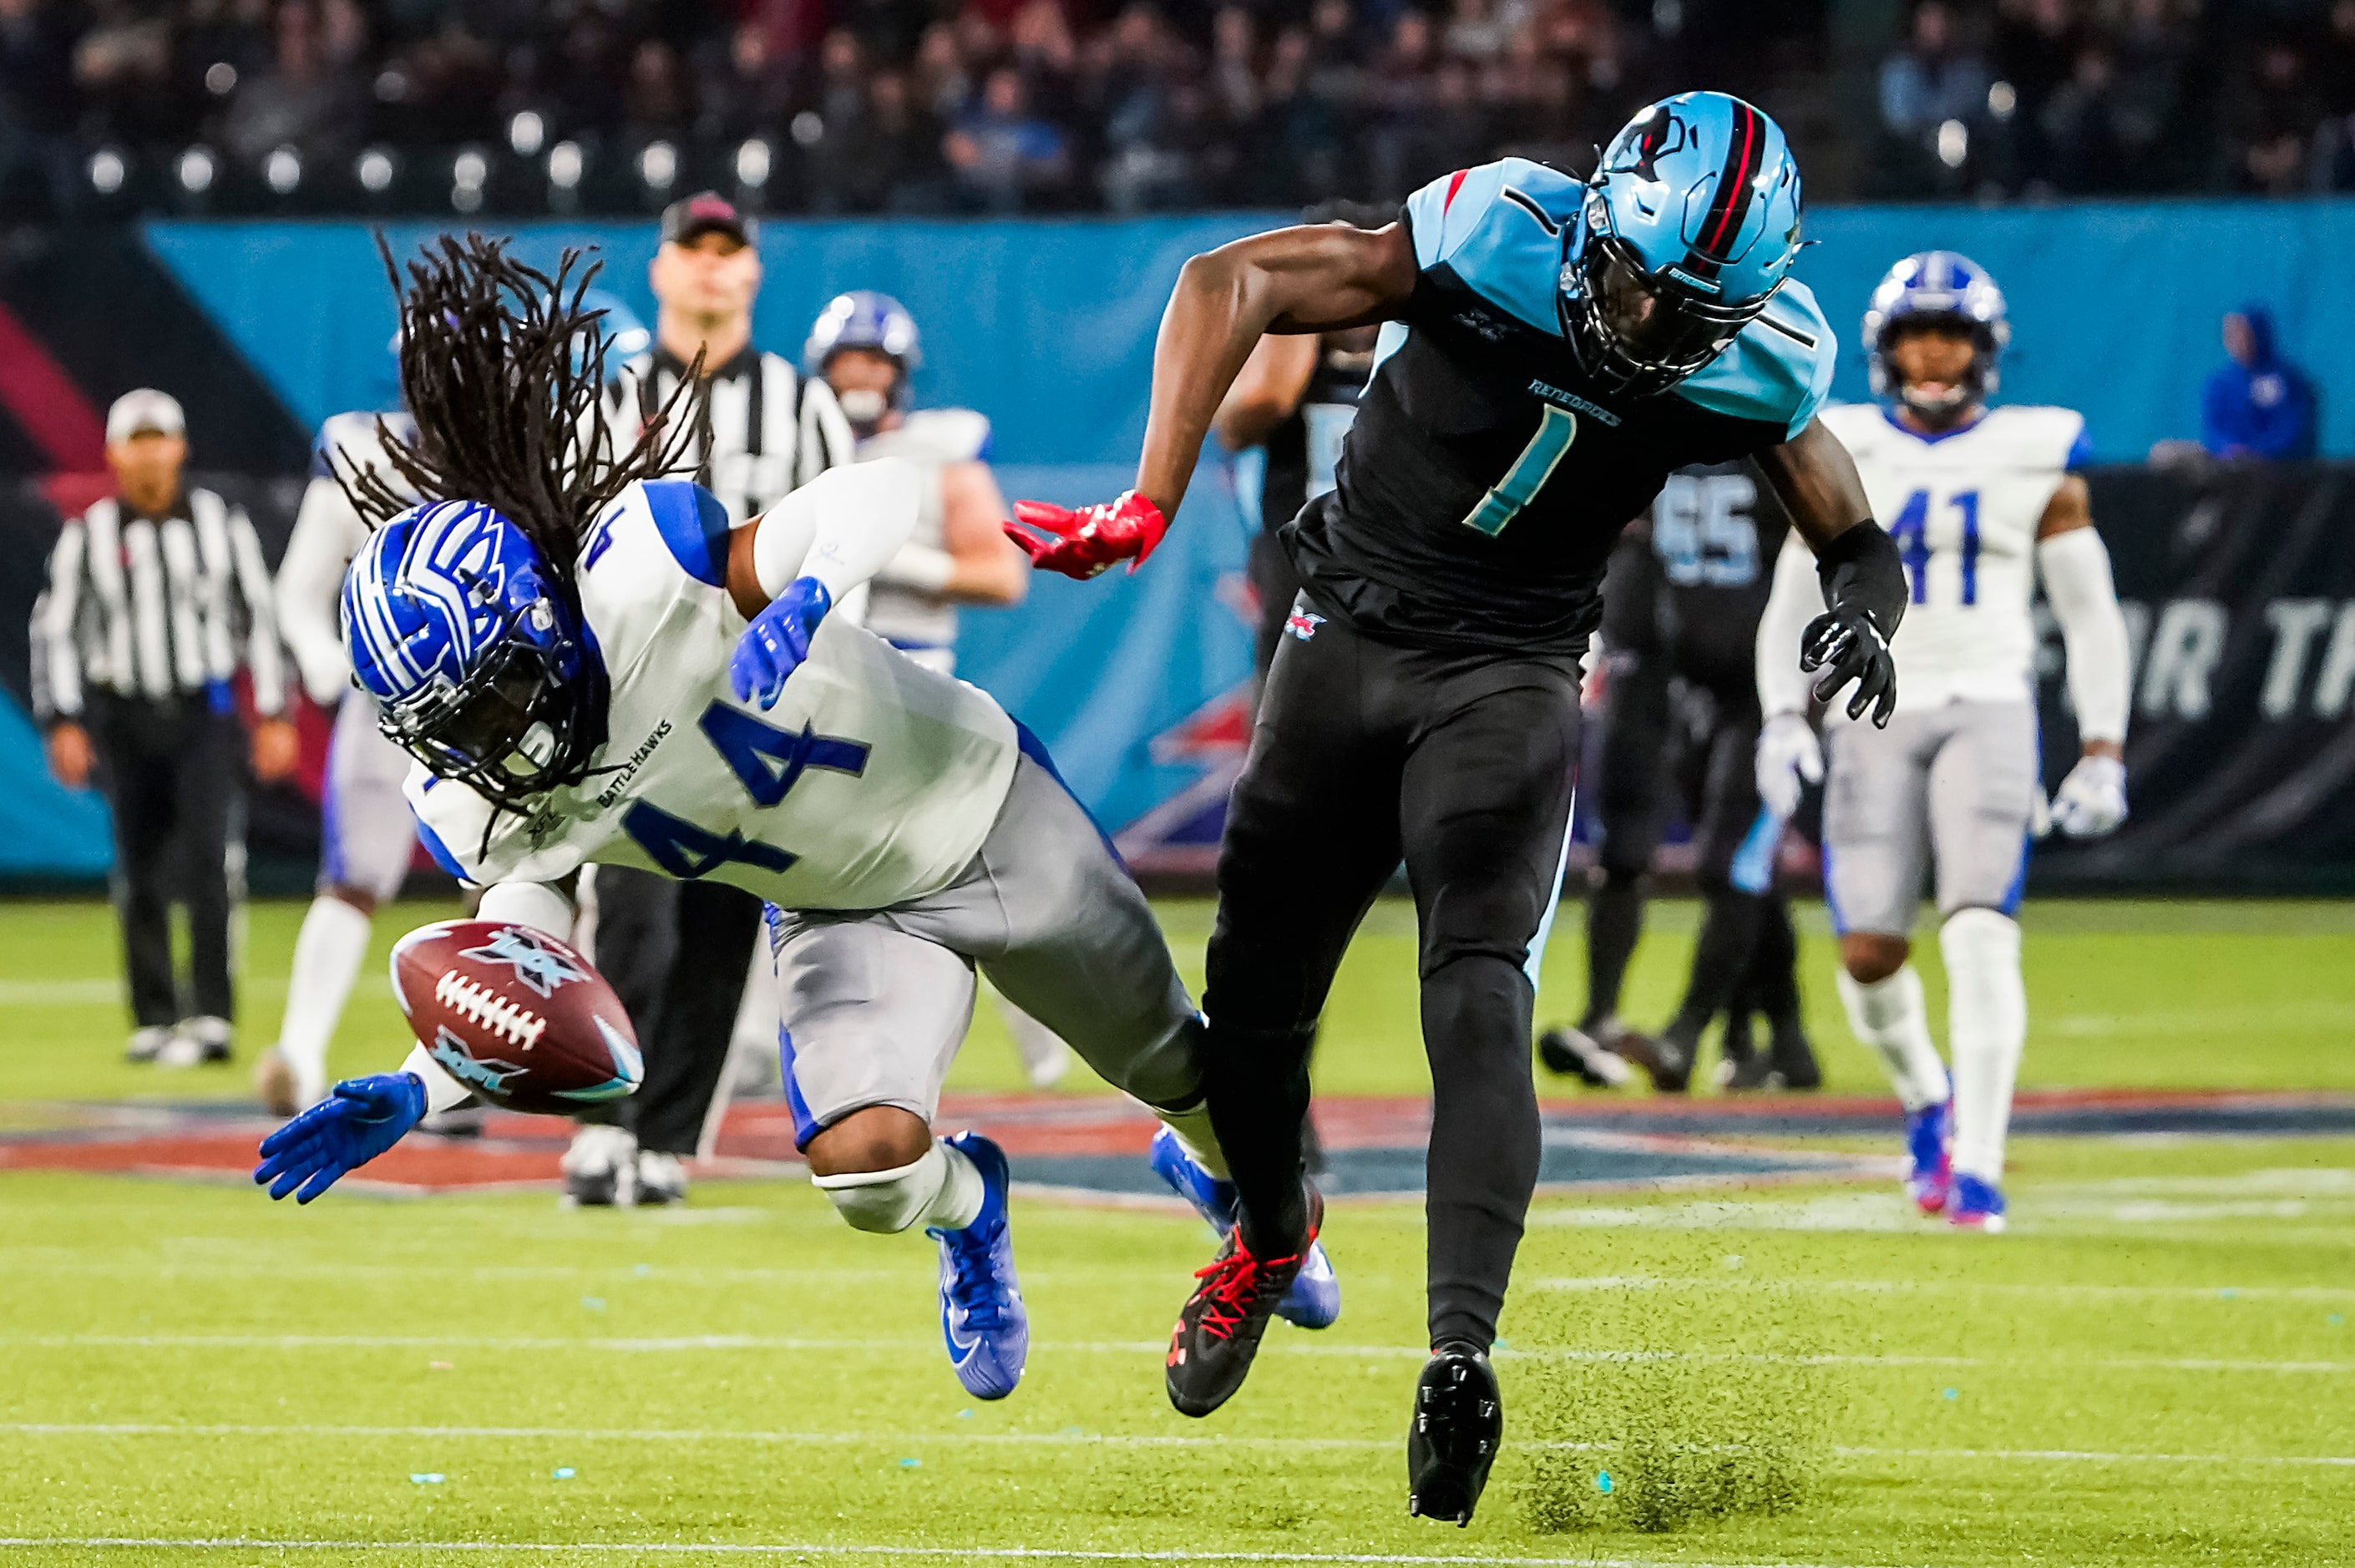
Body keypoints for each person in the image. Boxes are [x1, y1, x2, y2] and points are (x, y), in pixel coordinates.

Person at [1007, 94, 1907, 1522]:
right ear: (1600, 220)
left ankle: (1459, 1351)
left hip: (1510, 674)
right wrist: (1150, 498)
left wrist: (1868, 610)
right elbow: (1226, 280)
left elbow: (1854, 531)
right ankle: (1271, 1234)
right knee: (1251, 1011)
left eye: (1698, 316)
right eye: (1645, 289)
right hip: (1343, 637)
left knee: (1479, 988)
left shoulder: (1764, 358)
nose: (1662, 333)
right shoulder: (1495, 229)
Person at [249, 236, 1334, 1403]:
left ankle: (1251, 1207)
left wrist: (810, 590)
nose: (491, 744)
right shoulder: (485, 789)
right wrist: (421, 1081)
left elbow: (875, 493)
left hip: (975, 803)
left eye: (496, 699)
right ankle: (972, 1207)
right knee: (868, 1172)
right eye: (456, 729)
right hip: (838, 903)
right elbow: (524, 965)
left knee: (1181, 1067)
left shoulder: (642, 578)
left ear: (540, 623)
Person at [1755, 250, 2132, 1233]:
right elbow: (1795, 593)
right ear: (1885, 350)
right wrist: (1781, 717)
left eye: (1951, 335)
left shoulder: (2035, 451)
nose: (1933, 353)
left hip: (1990, 701)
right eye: (1916, 334)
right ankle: (1929, 1098)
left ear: (1984, 350)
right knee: (1869, 952)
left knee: (1978, 931)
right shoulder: (1844, 440)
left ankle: (1979, 1166)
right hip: (1871, 708)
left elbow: (2090, 615)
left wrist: (2103, 746)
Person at [572, 191, 858, 1208]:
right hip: (636, 698)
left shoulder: (801, 401)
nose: (708, 267)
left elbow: (843, 540)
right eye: (690, 250)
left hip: (757, 699)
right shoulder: (609, 396)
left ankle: (665, 1137)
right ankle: (602, 1120)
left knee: (718, 923)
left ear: (751, 273)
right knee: (631, 919)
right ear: (659, 270)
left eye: (726, 251)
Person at [803, 288, 1076, 1091]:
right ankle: (765, 1046)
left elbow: (1001, 574)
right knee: (792, 868)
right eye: (846, 361)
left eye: (873, 362)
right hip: (815, 684)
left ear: (900, 374)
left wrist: (888, 557)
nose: (860, 378)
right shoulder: (796, 437)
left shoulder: (938, 450)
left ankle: (1045, 1024)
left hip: (914, 685)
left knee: (960, 865)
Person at [1539, 462, 1822, 1095]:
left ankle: (1686, 1035)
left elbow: (1833, 551)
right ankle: (1783, 1036)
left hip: (1769, 696)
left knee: (1732, 866)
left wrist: (1807, 694)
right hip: (1691, 687)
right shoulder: (1667, 439)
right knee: (1737, 869)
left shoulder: (1780, 443)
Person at [39, 389, 297, 1067]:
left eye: (161, 438)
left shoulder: (221, 524)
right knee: (139, 868)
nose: (150, 452)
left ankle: (212, 1014)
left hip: (203, 716)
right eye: (137, 439)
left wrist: (273, 711)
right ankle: (154, 1015)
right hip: (124, 715)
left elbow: (260, 619)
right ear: (115, 453)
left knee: (210, 866)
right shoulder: (88, 534)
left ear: (180, 447)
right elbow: (59, 631)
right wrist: (63, 718)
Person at [1211, 202, 1384, 680]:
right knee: (1287, 704)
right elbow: (1245, 418)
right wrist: (1292, 322)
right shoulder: (1289, 353)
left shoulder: (1412, 350)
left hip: (1394, 556)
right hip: (1299, 555)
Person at [2200, 306, 2317, 462]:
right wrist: (2230, 450)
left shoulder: (2289, 380)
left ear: (2258, 334)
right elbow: (2214, 429)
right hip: (2229, 469)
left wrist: (2260, 453)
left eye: (2243, 334)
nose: (2237, 341)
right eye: (2230, 335)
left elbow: (2294, 429)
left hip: (2278, 470)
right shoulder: (2220, 384)